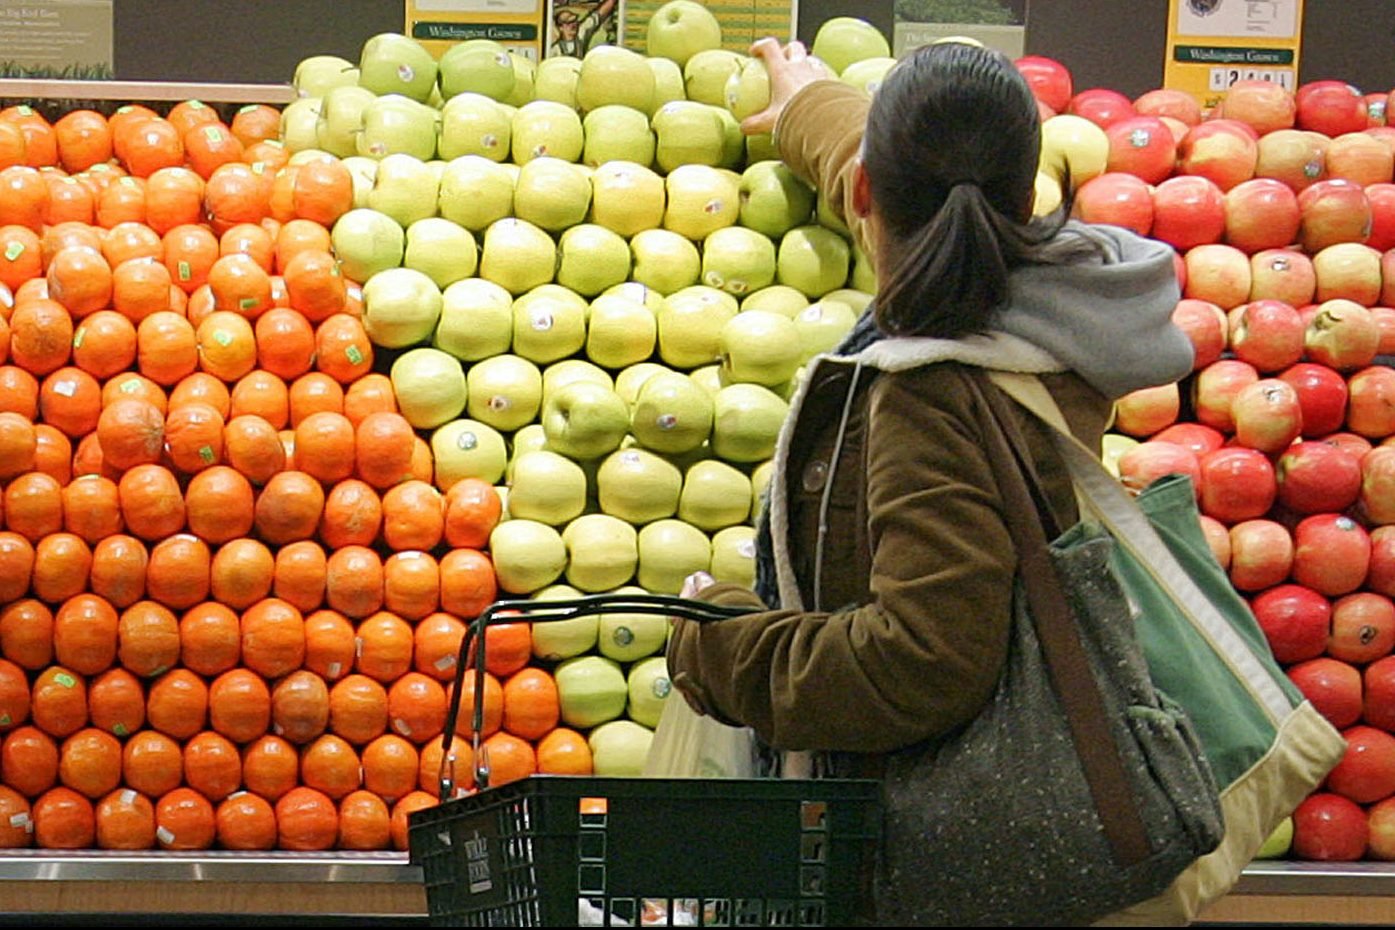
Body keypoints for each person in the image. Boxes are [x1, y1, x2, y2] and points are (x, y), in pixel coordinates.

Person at [664, 34, 1195, 919]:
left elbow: (922, 661)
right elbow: (909, 189)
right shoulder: (1063, 297)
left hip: (932, 869)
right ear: (1026, 196)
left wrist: (716, 644)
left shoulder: (931, 392)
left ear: (868, 193)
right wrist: (809, 105)